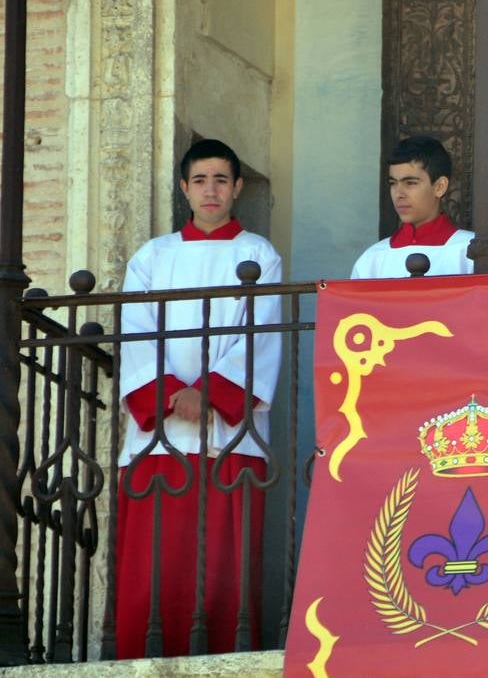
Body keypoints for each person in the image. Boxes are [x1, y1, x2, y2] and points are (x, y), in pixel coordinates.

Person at [115, 139, 281, 658]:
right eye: (201, 180)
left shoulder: (259, 255)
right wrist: (170, 394)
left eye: (221, 180)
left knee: (223, 571)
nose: (211, 190)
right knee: (156, 567)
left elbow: (263, 332)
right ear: (185, 188)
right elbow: (135, 332)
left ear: (237, 189)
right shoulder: (152, 257)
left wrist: (210, 392)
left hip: (229, 437)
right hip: (159, 441)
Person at [350, 135, 475, 279]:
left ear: (440, 187)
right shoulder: (372, 259)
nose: (398, 194)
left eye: (410, 183)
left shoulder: (472, 252)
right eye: (393, 183)